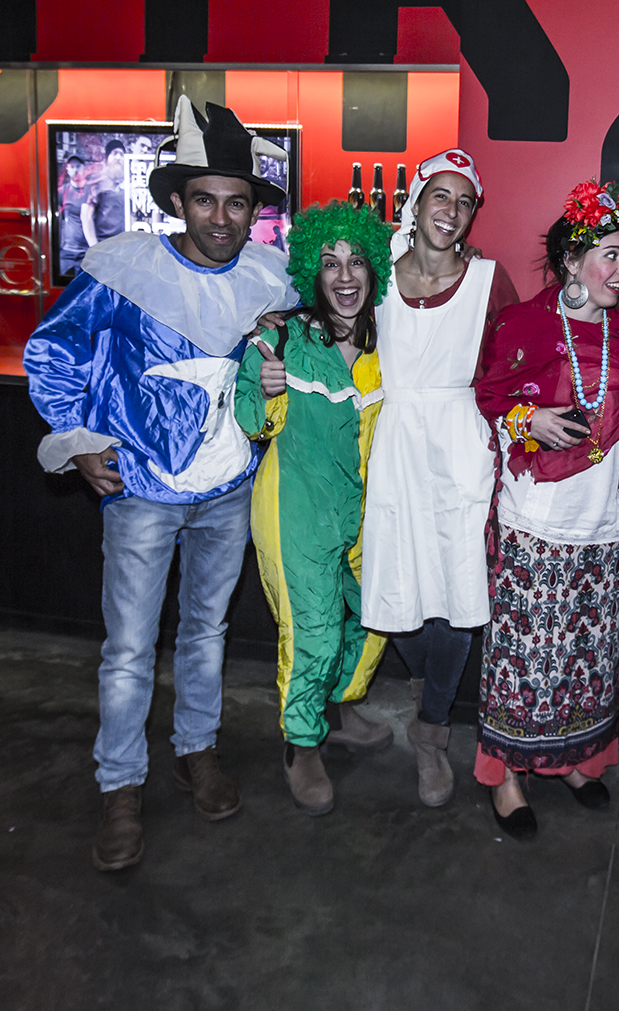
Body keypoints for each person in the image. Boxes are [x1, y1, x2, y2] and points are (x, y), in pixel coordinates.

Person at [25, 96, 294, 871]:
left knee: (207, 633)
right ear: (178, 201)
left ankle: (196, 749)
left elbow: (290, 353)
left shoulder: (267, 279)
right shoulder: (124, 269)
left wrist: (273, 361)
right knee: (130, 649)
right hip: (141, 486)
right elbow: (53, 350)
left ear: (253, 211)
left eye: (236, 202)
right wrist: (79, 440)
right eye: (205, 200)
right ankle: (120, 785)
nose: (221, 217)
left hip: (228, 488)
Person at [473, 180, 619, 838]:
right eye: (609, 255)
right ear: (572, 260)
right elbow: (486, 403)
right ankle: (506, 776)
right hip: (536, 519)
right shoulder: (522, 323)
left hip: (604, 524)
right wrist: (530, 420)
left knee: (586, 654)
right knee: (524, 657)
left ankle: (570, 759)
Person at [357, 149, 517, 807]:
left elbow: (515, 366)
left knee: (457, 594)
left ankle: (431, 730)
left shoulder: (487, 280)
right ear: (417, 202)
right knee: (394, 587)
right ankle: (430, 687)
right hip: (394, 444)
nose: (451, 210)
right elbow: (328, 329)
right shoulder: (375, 275)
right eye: (440, 196)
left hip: (460, 446)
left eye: (464, 201)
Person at [236, 202, 397, 816]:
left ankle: (338, 705)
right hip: (296, 510)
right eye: (330, 263)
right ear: (313, 273)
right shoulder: (282, 337)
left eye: (356, 261)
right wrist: (265, 389)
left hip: (365, 510)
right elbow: (249, 420)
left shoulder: (389, 343)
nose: (345, 275)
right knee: (315, 630)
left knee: (376, 615)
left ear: (374, 270)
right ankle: (301, 742)